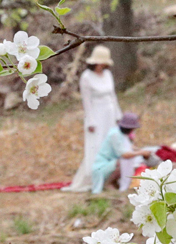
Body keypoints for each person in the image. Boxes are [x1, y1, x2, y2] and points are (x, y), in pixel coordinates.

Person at [63, 45, 122, 192]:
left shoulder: (108, 75)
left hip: (109, 113)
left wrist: (118, 115)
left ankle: (111, 177)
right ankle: (94, 177)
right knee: (96, 145)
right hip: (97, 113)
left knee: (111, 143)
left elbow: (112, 96)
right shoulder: (87, 77)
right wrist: (90, 120)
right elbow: (87, 101)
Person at [91, 112, 151, 194]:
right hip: (102, 165)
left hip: (110, 163)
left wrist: (141, 150)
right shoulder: (114, 135)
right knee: (122, 162)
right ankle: (108, 183)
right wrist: (141, 153)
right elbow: (124, 154)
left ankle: (115, 183)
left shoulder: (121, 134)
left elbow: (129, 147)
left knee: (133, 161)